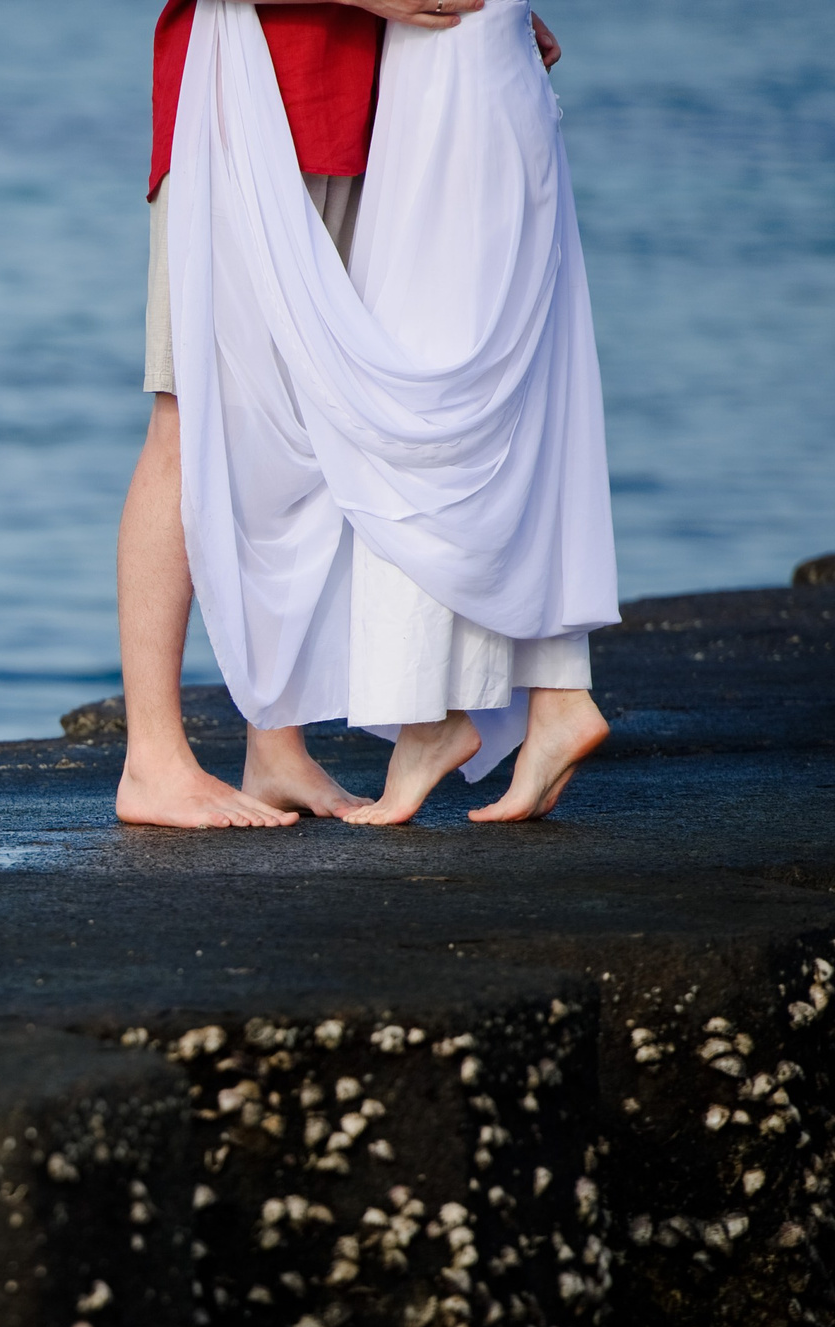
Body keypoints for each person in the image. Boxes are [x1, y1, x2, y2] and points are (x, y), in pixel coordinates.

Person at [114, 0, 614, 831]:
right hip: (242, 114)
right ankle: (152, 760)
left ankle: (275, 747)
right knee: (190, 421)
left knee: (320, 438)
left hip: (374, 120)